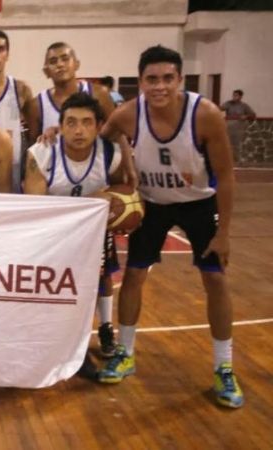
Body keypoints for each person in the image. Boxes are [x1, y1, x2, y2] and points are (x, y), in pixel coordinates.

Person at [97, 45, 243, 408]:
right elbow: (103, 136)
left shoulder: (206, 115)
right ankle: (126, 352)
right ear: (140, 83)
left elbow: (225, 176)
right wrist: (126, 160)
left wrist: (224, 233)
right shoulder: (128, 114)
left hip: (198, 204)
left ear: (180, 80)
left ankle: (224, 367)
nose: (159, 86)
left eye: (167, 78)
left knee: (215, 279)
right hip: (153, 205)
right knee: (133, 275)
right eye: (151, 79)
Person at [23, 92, 129, 359]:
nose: (78, 130)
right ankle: (45, 330)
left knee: (103, 275)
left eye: (86, 122)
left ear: (98, 126)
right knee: (49, 281)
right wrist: (92, 201)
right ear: (60, 126)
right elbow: (35, 205)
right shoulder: (42, 152)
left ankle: (105, 327)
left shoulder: (110, 155)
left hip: (92, 231)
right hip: (52, 231)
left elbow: (122, 188)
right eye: (70, 122)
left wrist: (115, 202)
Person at [0, 29, 34, 193]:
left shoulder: (20, 89)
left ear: (7, 54)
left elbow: (33, 134)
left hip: (12, 170)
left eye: (0, 49)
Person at [26, 42, 115, 144]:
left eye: (65, 59)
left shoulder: (99, 94)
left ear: (77, 64)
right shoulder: (36, 105)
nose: (60, 64)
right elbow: (34, 146)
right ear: (46, 72)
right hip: (54, 159)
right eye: (53, 61)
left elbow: (115, 134)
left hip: (95, 158)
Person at [220, 89, 256, 159]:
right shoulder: (229, 103)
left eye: (236, 95)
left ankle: (237, 160)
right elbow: (220, 108)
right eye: (233, 95)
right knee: (227, 144)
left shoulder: (244, 106)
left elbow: (253, 114)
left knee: (237, 145)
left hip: (238, 129)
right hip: (228, 127)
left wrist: (246, 116)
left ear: (240, 97)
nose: (234, 97)